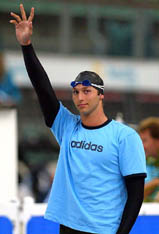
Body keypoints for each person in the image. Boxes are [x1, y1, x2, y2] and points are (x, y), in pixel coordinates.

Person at [10, 4, 147, 234]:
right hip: (69, 227)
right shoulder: (67, 127)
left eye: (86, 91)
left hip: (104, 230)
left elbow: (136, 194)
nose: (80, 97)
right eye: (76, 92)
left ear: (100, 95)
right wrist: (26, 46)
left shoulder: (124, 137)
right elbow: (43, 89)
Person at [138, 117, 159, 202]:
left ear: (158, 140)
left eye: (144, 140)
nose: (141, 145)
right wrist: (155, 183)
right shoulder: (146, 161)